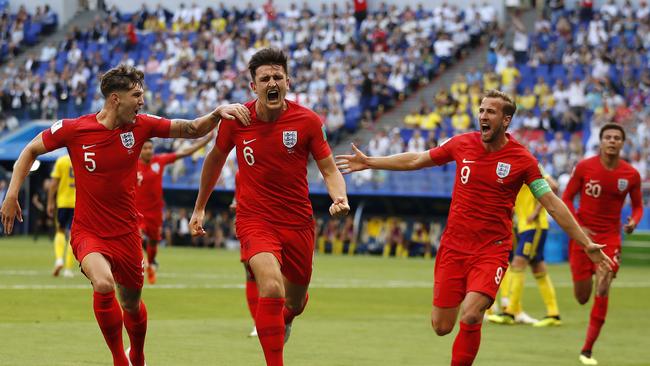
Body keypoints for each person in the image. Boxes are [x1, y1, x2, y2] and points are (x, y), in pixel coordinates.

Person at [336, 89, 613, 366]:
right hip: (453, 248)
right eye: (481, 110)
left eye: (490, 111)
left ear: (506, 120)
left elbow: (552, 203)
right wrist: (370, 162)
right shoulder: (462, 144)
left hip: (491, 251)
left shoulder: (523, 160)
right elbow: (417, 159)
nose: (483, 115)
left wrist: (585, 243)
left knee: (471, 314)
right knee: (442, 326)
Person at [0, 64, 250, 366]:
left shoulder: (141, 126)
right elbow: (30, 150)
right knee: (103, 284)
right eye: (136, 95)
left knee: (131, 305)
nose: (142, 101)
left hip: (127, 234)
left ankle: (138, 354)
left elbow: (191, 128)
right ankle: (121, 360)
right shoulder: (74, 129)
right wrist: (12, 195)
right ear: (115, 99)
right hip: (88, 231)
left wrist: (216, 113)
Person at [190, 48, 349, 366]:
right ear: (254, 86)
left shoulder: (307, 121)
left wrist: (339, 198)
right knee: (272, 287)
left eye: (278, 77)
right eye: (265, 78)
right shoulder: (237, 120)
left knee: (295, 301)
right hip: (255, 219)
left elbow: (329, 169)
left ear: (288, 82)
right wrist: (199, 209)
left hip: (298, 223)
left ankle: (288, 316)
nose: (272, 82)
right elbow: (214, 162)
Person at [562, 123, 644, 366]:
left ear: (622, 143)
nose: (612, 141)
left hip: (610, 239)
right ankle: (588, 284)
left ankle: (587, 350)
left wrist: (633, 222)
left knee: (605, 283)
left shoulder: (631, 174)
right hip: (583, 239)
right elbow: (566, 198)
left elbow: (638, 205)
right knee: (582, 297)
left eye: (617, 137)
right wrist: (578, 228)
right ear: (600, 141)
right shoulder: (585, 167)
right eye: (607, 137)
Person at [487, 168, 562, 327]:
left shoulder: (531, 165)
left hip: (534, 226)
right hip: (525, 227)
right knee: (538, 269)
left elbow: (553, 186)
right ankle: (553, 314)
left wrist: (536, 211)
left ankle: (510, 313)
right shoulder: (516, 169)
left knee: (517, 264)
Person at [136, 133, 213, 284]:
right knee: (136, 238)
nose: (148, 151)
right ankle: (141, 267)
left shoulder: (159, 160)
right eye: (145, 148)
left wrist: (205, 140)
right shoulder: (132, 165)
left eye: (150, 148)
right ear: (140, 150)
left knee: (153, 242)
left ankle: (151, 264)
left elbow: (184, 152)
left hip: (155, 212)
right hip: (137, 212)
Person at [47, 154, 77, 278]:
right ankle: (68, 269)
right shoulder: (81, 159)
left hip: (63, 202)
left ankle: (59, 259)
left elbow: (54, 184)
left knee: (60, 230)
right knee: (72, 235)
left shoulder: (61, 161)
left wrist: (50, 202)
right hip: (78, 203)